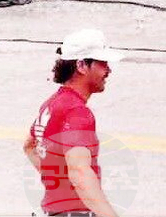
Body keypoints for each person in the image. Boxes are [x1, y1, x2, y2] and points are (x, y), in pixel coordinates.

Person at [23, 28, 125, 217]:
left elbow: (29, 146)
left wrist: (56, 181)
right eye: (103, 63)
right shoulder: (77, 112)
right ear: (81, 66)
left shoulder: (51, 104)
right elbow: (79, 173)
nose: (108, 70)